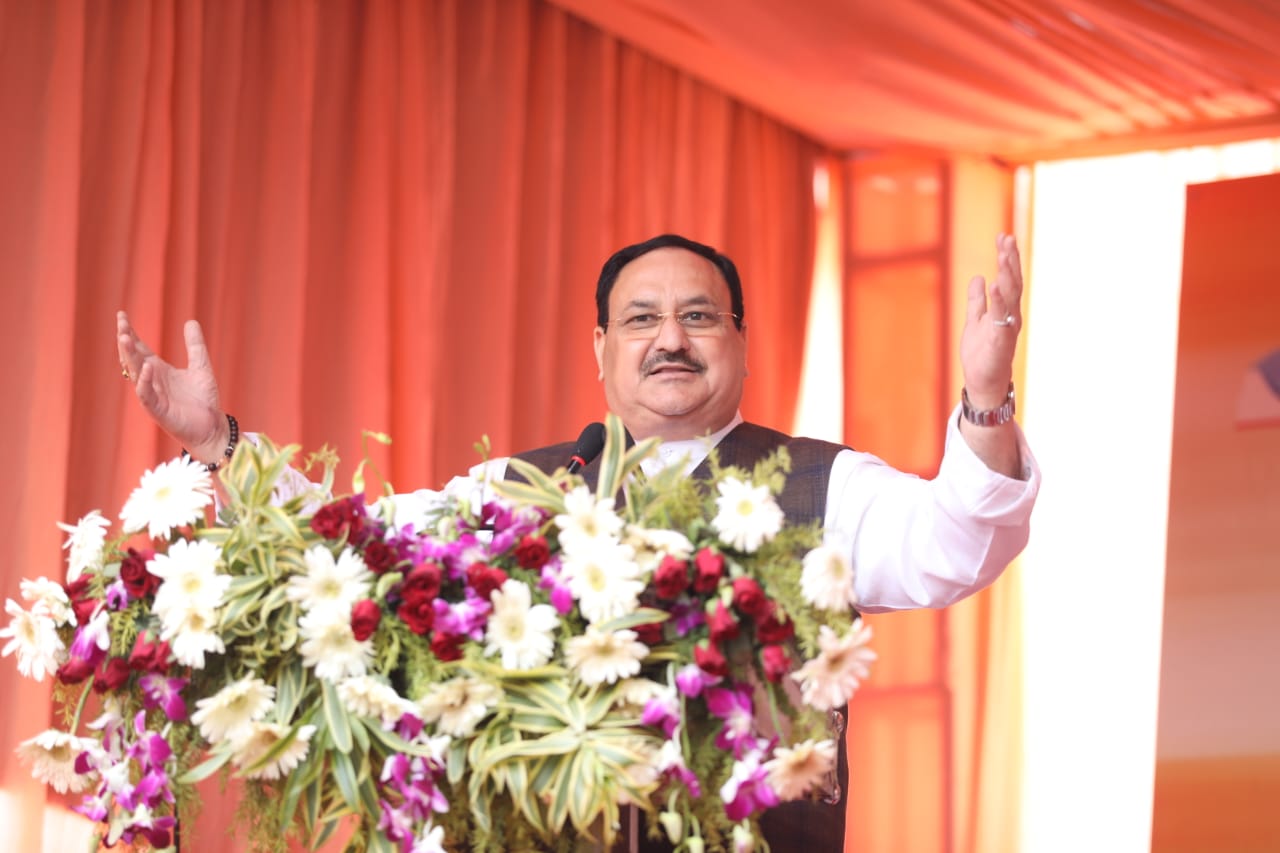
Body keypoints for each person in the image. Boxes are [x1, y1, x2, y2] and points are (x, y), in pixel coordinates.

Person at [116, 232, 1039, 850]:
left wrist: (987, 397)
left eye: (699, 316)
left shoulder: (824, 485)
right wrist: (219, 448)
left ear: (742, 344)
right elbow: (355, 551)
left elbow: (956, 539)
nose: (669, 338)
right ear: (600, 348)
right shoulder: (511, 491)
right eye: (640, 319)